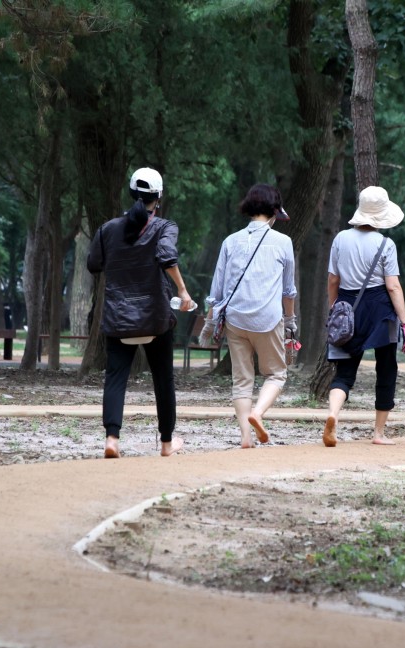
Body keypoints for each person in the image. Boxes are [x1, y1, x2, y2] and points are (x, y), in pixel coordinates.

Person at [87, 167, 193, 459]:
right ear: (158, 197)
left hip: (118, 317)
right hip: (155, 317)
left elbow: (94, 264)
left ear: (132, 193)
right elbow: (167, 256)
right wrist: (183, 291)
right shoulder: (165, 226)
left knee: (116, 376)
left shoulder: (107, 229)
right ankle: (167, 443)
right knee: (163, 378)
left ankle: (112, 439)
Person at [201, 184, 296, 449]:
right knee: (276, 374)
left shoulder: (230, 241)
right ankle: (258, 413)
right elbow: (288, 291)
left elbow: (216, 291)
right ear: (275, 211)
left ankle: (245, 437)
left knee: (242, 380)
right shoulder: (283, 243)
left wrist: (209, 323)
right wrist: (290, 321)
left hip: (235, 320)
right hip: (268, 319)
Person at [322, 186, 405, 447]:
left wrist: (334, 308)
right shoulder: (386, 244)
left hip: (348, 305)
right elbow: (393, 286)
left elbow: (333, 279)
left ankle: (332, 414)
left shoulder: (340, 238)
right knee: (386, 368)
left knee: (345, 370)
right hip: (381, 310)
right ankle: (378, 433)